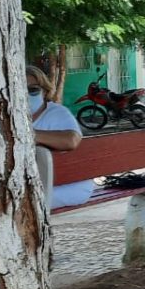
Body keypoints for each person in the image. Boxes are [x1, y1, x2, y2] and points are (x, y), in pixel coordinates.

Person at [27, 65, 94, 209]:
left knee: (19, 203)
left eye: (32, 89)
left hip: (72, 185)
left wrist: (27, 136)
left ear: (44, 92)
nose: (26, 94)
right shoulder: (8, 118)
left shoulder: (57, 113)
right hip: (36, 185)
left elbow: (72, 140)